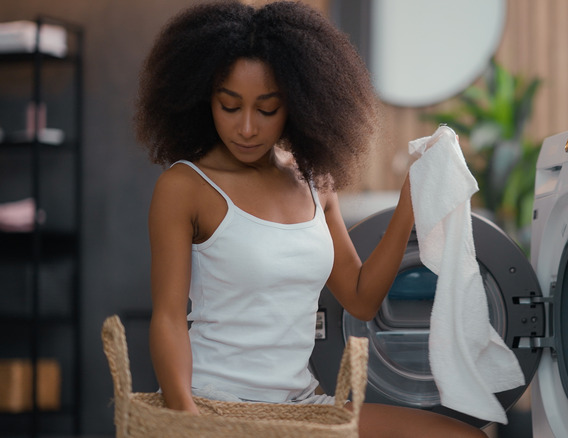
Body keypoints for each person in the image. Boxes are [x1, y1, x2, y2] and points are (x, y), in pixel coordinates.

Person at [135, 1, 487, 437]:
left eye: (266, 109)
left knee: (463, 435)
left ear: (297, 104)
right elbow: (168, 318)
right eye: (229, 106)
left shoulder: (315, 182)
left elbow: (360, 298)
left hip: (302, 406)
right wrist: (186, 419)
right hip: (215, 406)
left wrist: (408, 204)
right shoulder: (184, 186)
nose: (246, 127)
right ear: (204, 98)